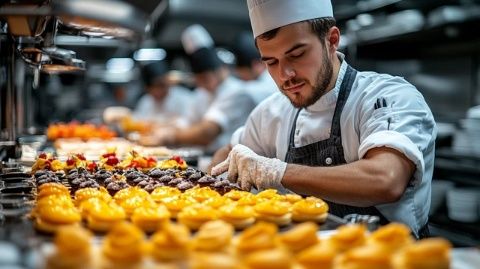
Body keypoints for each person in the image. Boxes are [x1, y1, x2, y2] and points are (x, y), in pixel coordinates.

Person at [211, 0, 436, 238]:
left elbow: (385, 179)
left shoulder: (387, 96)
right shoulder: (270, 113)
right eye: (271, 62)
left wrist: (277, 172)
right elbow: (225, 156)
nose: (285, 75)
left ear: (332, 40)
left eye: (297, 55)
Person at [146, 24, 256, 153]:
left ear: (221, 70)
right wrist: (167, 128)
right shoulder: (201, 93)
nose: (203, 84)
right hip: (203, 155)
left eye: (206, 78)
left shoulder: (237, 92)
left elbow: (207, 132)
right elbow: (187, 121)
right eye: (199, 79)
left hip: (230, 157)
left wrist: (172, 136)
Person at [133, 61, 194, 125]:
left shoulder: (184, 97)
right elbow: (137, 120)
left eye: (163, 84)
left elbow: (189, 121)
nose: (161, 89)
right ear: (148, 89)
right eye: (158, 86)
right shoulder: (145, 101)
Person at [231, 32, 277, 105]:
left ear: (255, 65)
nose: (242, 78)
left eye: (242, 73)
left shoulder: (270, 82)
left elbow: (244, 91)